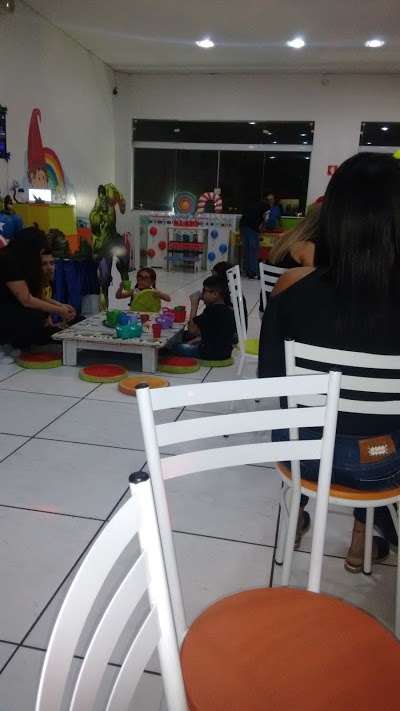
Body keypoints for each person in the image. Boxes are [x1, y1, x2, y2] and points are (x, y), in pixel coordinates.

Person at [258, 152, 400, 573]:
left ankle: (296, 516)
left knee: (309, 418)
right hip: (381, 464)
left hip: (304, 457)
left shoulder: (290, 291)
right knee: (382, 431)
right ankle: (361, 541)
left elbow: (271, 382)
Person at [0, 227, 75, 360]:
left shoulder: (19, 261)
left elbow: (36, 295)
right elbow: (26, 299)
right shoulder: (8, 261)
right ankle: (11, 344)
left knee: (42, 315)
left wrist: (60, 306)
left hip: (12, 308)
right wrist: (59, 310)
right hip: (6, 313)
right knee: (35, 316)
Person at [258, 205, 320, 316]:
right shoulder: (307, 246)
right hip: (284, 316)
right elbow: (315, 283)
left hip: (267, 311)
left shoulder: (287, 238)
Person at [174, 275, 236, 361]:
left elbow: (192, 330)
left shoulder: (212, 311)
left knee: (174, 347)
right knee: (184, 336)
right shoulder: (228, 309)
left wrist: (194, 304)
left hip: (209, 354)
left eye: (204, 291)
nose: (202, 294)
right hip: (226, 352)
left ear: (215, 294)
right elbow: (209, 334)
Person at [189, 261, 248, 329]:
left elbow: (192, 329)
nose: (211, 280)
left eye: (213, 277)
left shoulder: (220, 307)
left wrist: (194, 305)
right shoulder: (234, 293)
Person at [240, 194, 280, 279]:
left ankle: (248, 271)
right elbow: (268, 220)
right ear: (270, 202)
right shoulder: (266, 206)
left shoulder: (256, 204)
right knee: (253, 250)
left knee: (247, 250)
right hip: (251, 227)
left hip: (243, 226)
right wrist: (271, 226)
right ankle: (254, 272)